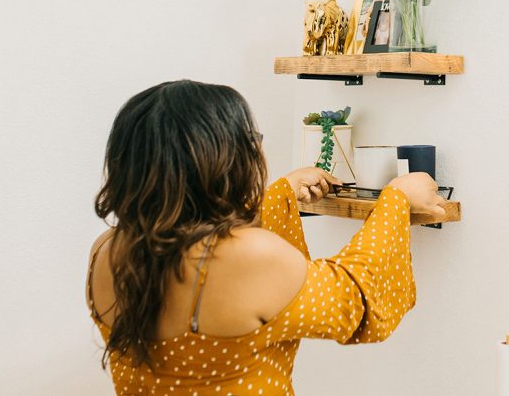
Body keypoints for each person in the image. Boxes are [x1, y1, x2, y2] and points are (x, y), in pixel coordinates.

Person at [86, 80, 445, 394]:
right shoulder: (249, 258)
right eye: (252, 140)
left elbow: (192, 230)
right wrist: (397, 199)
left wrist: (280, 193)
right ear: (224, 160)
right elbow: (356, 293)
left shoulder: (105, 251)